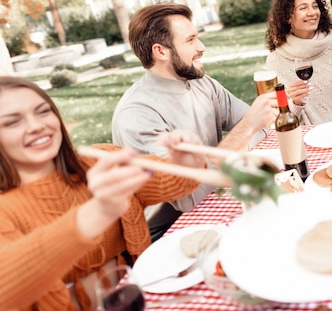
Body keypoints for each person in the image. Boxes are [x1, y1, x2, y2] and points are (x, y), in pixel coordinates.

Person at [0, 76, 206, 310]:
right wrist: (98, 211)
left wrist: (185, 162)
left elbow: (178, 183)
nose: (36, 125)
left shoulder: (98, 160)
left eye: (43, 111)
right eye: (12, 122)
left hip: (143, 297)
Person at [112, 3, 278, 240]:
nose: (202, 47)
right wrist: (244, 130)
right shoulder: (137, 114)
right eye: (190, 40)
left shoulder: (202, 83)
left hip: (218, 197)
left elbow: (261, 129)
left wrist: (242, 133)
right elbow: (190, 197)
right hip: (169, 231)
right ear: (161, 51)